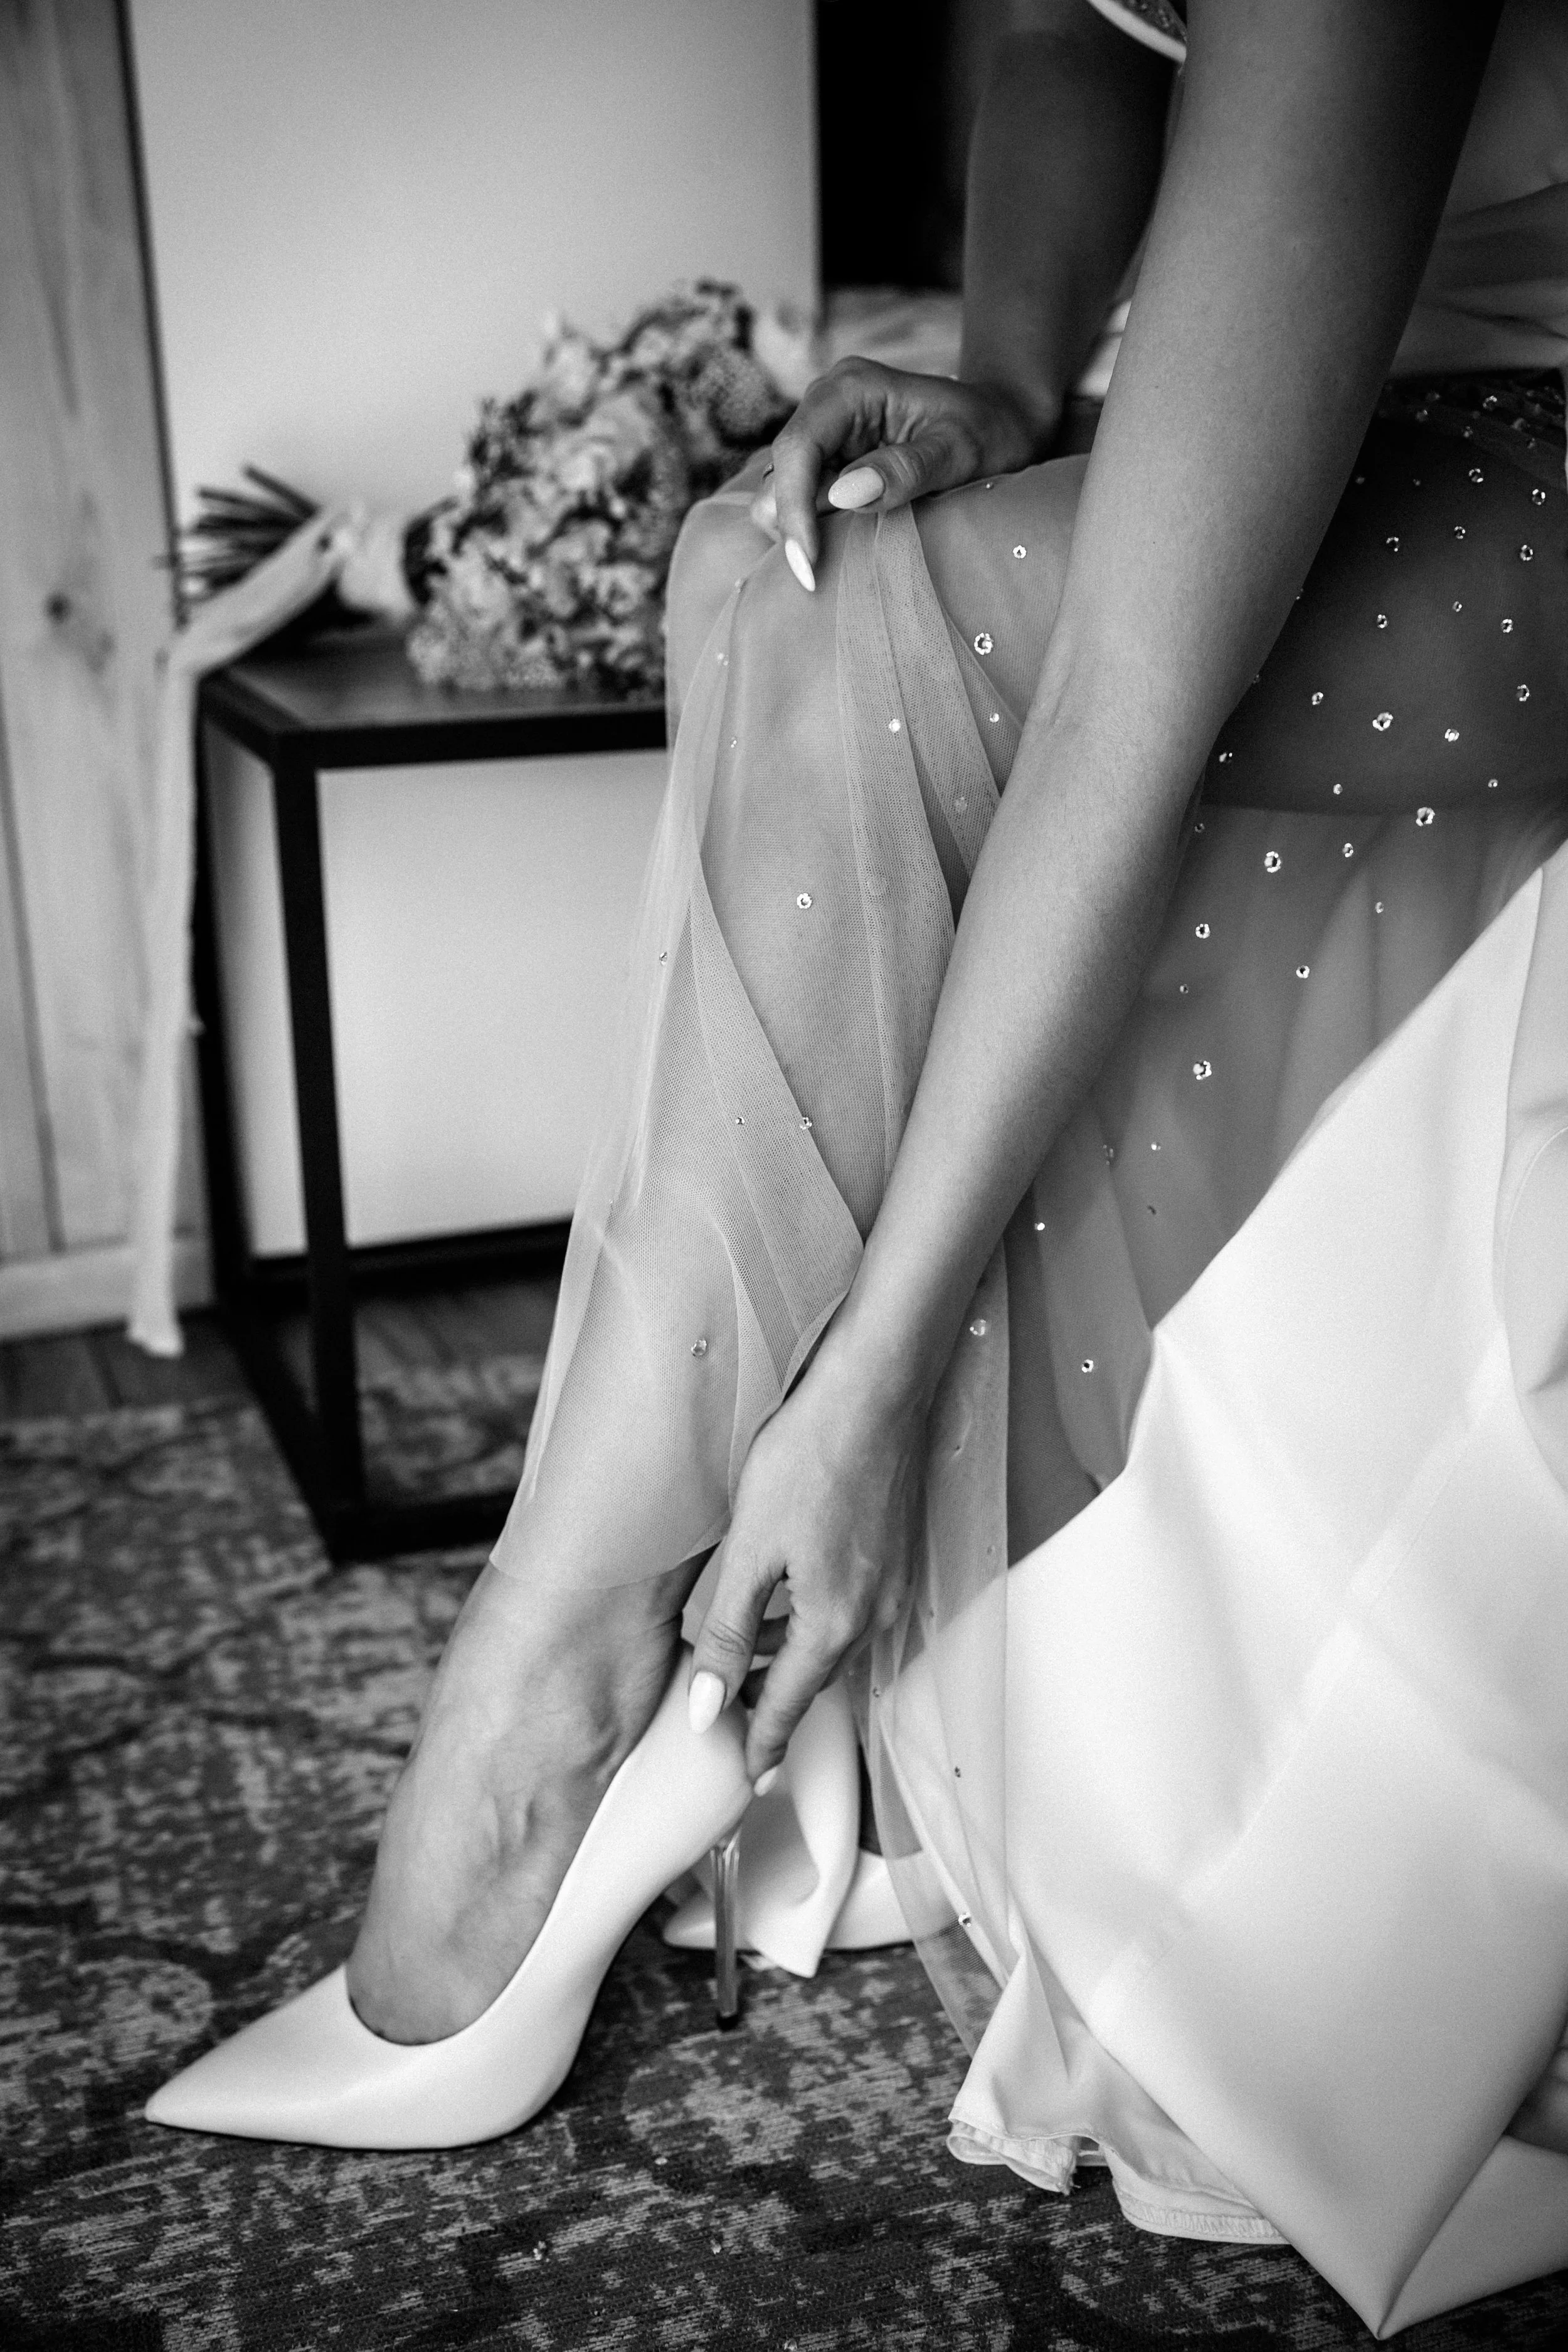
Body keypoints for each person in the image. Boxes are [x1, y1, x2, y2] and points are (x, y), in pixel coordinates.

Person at [147, 0, 1568, 2331]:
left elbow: (1126, 695)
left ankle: (565, 1680)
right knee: (777, 556)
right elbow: (1063, 24)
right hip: (1337, 410)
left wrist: (872, 1379)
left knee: (885, 627)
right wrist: (1010, 372)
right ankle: (611, 1638)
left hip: (1522, 444)